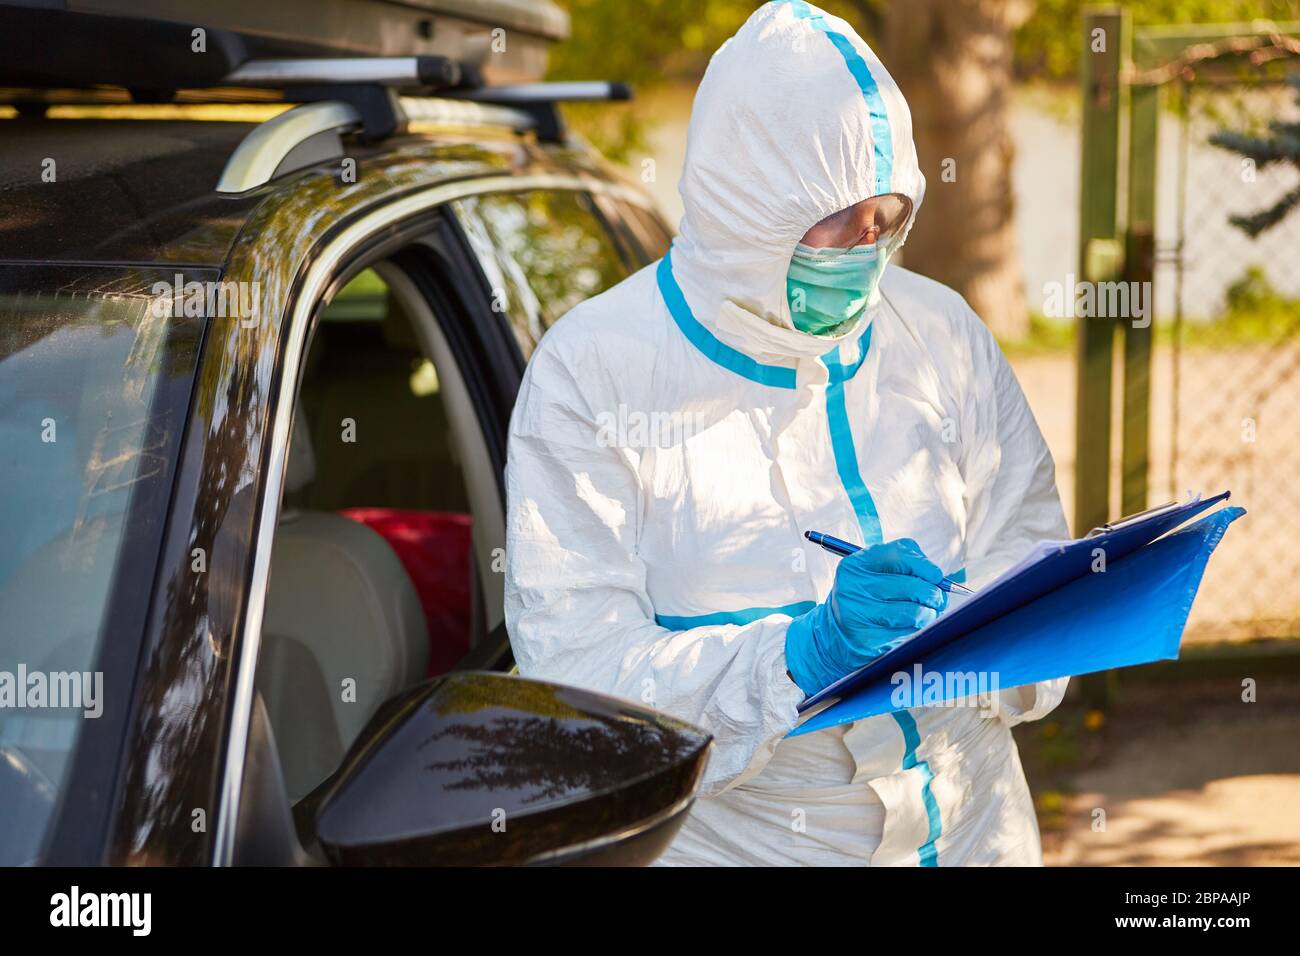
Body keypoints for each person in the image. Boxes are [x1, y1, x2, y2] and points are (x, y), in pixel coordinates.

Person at [504, 0, 1068, 866]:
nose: (867, 243)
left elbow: (1026, 545)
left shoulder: (941, 334)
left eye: (884, 215)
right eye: (838, 216)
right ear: (746, 207)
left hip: (975, 830)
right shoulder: (596, 373)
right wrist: (799, 657)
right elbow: (585, 687)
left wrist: (1012, 632)